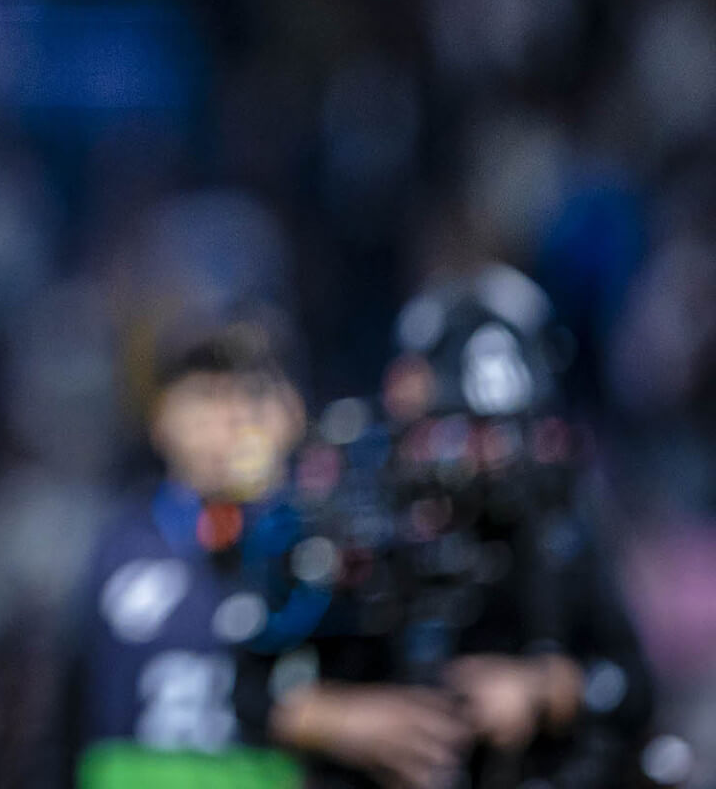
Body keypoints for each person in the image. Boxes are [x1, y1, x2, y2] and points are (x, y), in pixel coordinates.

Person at [252, 265, 653, 789]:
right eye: (458, 429)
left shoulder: (553, 522)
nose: (482, 455)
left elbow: (633, 686)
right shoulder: (343, 506)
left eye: (502, 431)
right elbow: (242, 686)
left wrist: (541, 689)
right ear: (405, 395)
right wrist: (344, 721)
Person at [53, 324, 307, 789]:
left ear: (293, 414)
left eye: (252, 395)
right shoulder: (118, 547)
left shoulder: (326, 549)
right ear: (159, 418)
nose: (232, 419)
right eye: (206, 397)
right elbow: (65, 716)